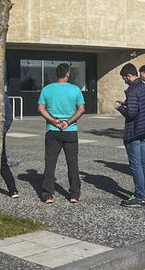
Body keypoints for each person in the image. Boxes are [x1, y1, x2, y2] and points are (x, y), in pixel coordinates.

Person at [37, 63, 85, 204]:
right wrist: (68, 122)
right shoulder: (75, 89)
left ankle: (47, 195)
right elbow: (81, 109)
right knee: (72, 163)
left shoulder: (47, 89)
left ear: (56, 74)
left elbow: (41, 108)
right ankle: (74, 194)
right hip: (70, 131)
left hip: (53, 130)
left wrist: (53, 120)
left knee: (50, 163)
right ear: (67, 74)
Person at [116, 63, 145, 208]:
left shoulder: (132, 90)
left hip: (134, 131)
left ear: (129, 76)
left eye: (124, 78)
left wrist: (120, 107)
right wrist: (127, 103)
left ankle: (139, 197)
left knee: (136, 165)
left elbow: (131, 113)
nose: (124, 81)